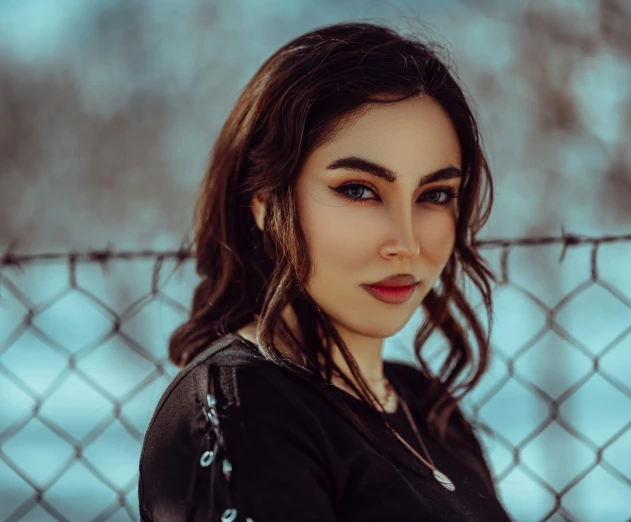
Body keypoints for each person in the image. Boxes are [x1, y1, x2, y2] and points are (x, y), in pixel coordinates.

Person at [139, 20, 513, 521]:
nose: (405, 243)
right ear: (267, 202)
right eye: (359, 189)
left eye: (435, 194)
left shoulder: (426, 406)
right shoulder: (241, 411)